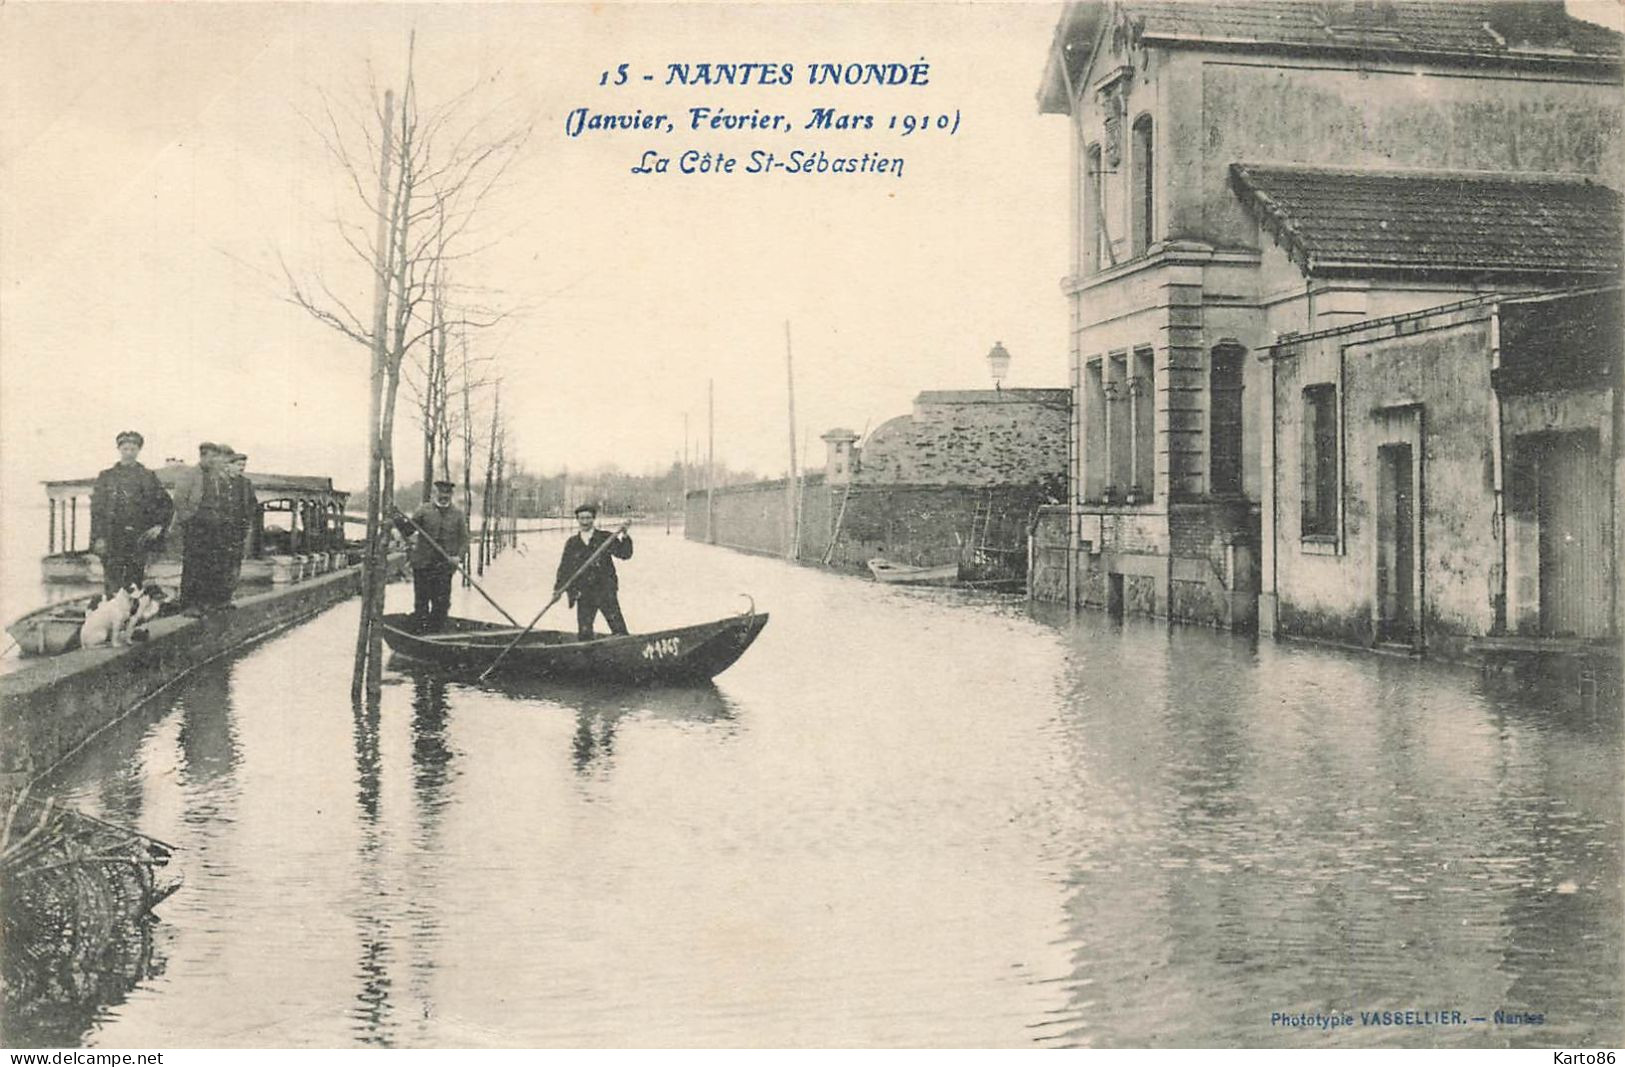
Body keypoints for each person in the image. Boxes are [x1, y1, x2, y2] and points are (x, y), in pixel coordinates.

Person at [90, 430, 174, 596]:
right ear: (119, 449)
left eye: (133, 449)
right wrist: (98, 538)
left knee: (135, 582)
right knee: (112, 582)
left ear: (138, 451)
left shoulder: (147, 476)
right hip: (112, 537)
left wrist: (159, 525)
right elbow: (97, 510)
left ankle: (132, 615)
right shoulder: (107, 477)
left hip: (138, 538)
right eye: (125, 448)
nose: (129, 453)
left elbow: (166, 504)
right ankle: (112, 616)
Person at [393, 480, 469, 632]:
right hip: (423, 565)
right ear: (435, 493)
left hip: (444, 567)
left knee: (441, 604)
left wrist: (458, 557)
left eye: (447, 493)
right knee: (421, 603)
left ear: (451, 495)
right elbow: (408, 530)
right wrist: (396, 518)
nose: (443, 496)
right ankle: (420, 635)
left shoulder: (458, 515)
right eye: (441, 493)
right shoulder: (424, 510)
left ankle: (435, 636)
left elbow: (464, 541)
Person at [170, 442, 237, 613]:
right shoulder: (189, 474)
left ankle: (209, 602)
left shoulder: (217, 477)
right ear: (203, 456)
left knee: (212, 565)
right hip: (196, 526)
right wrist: (188, 521)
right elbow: (179, 500)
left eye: (217, 456)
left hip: (215, 527)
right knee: (193, 565)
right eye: (211, 456)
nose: (214, 460)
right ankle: (189, 604)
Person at [555, 503, 633, 640]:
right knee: (585, 632)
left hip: (605, 590)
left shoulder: (605, 538)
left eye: (588, 518)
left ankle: (625, 653)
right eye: (582, 518)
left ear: (593, 519)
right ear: (577, 520)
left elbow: (625, 554)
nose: (585, 522)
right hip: (584, 592)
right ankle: (587, 658)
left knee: (618, 628)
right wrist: (558, 590)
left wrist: (625, 535)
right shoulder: (572, 543)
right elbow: (564, 569)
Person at [223, 451, 259, 587]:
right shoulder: (220, 482)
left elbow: (253, 504)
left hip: (238, 530)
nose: (242, 468)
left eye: (243, 465)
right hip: (221, 530)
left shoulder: (246, 484)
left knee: (235, 562)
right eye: (239, 465)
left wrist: (246, 519)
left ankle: (230, 591)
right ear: (229, 465)